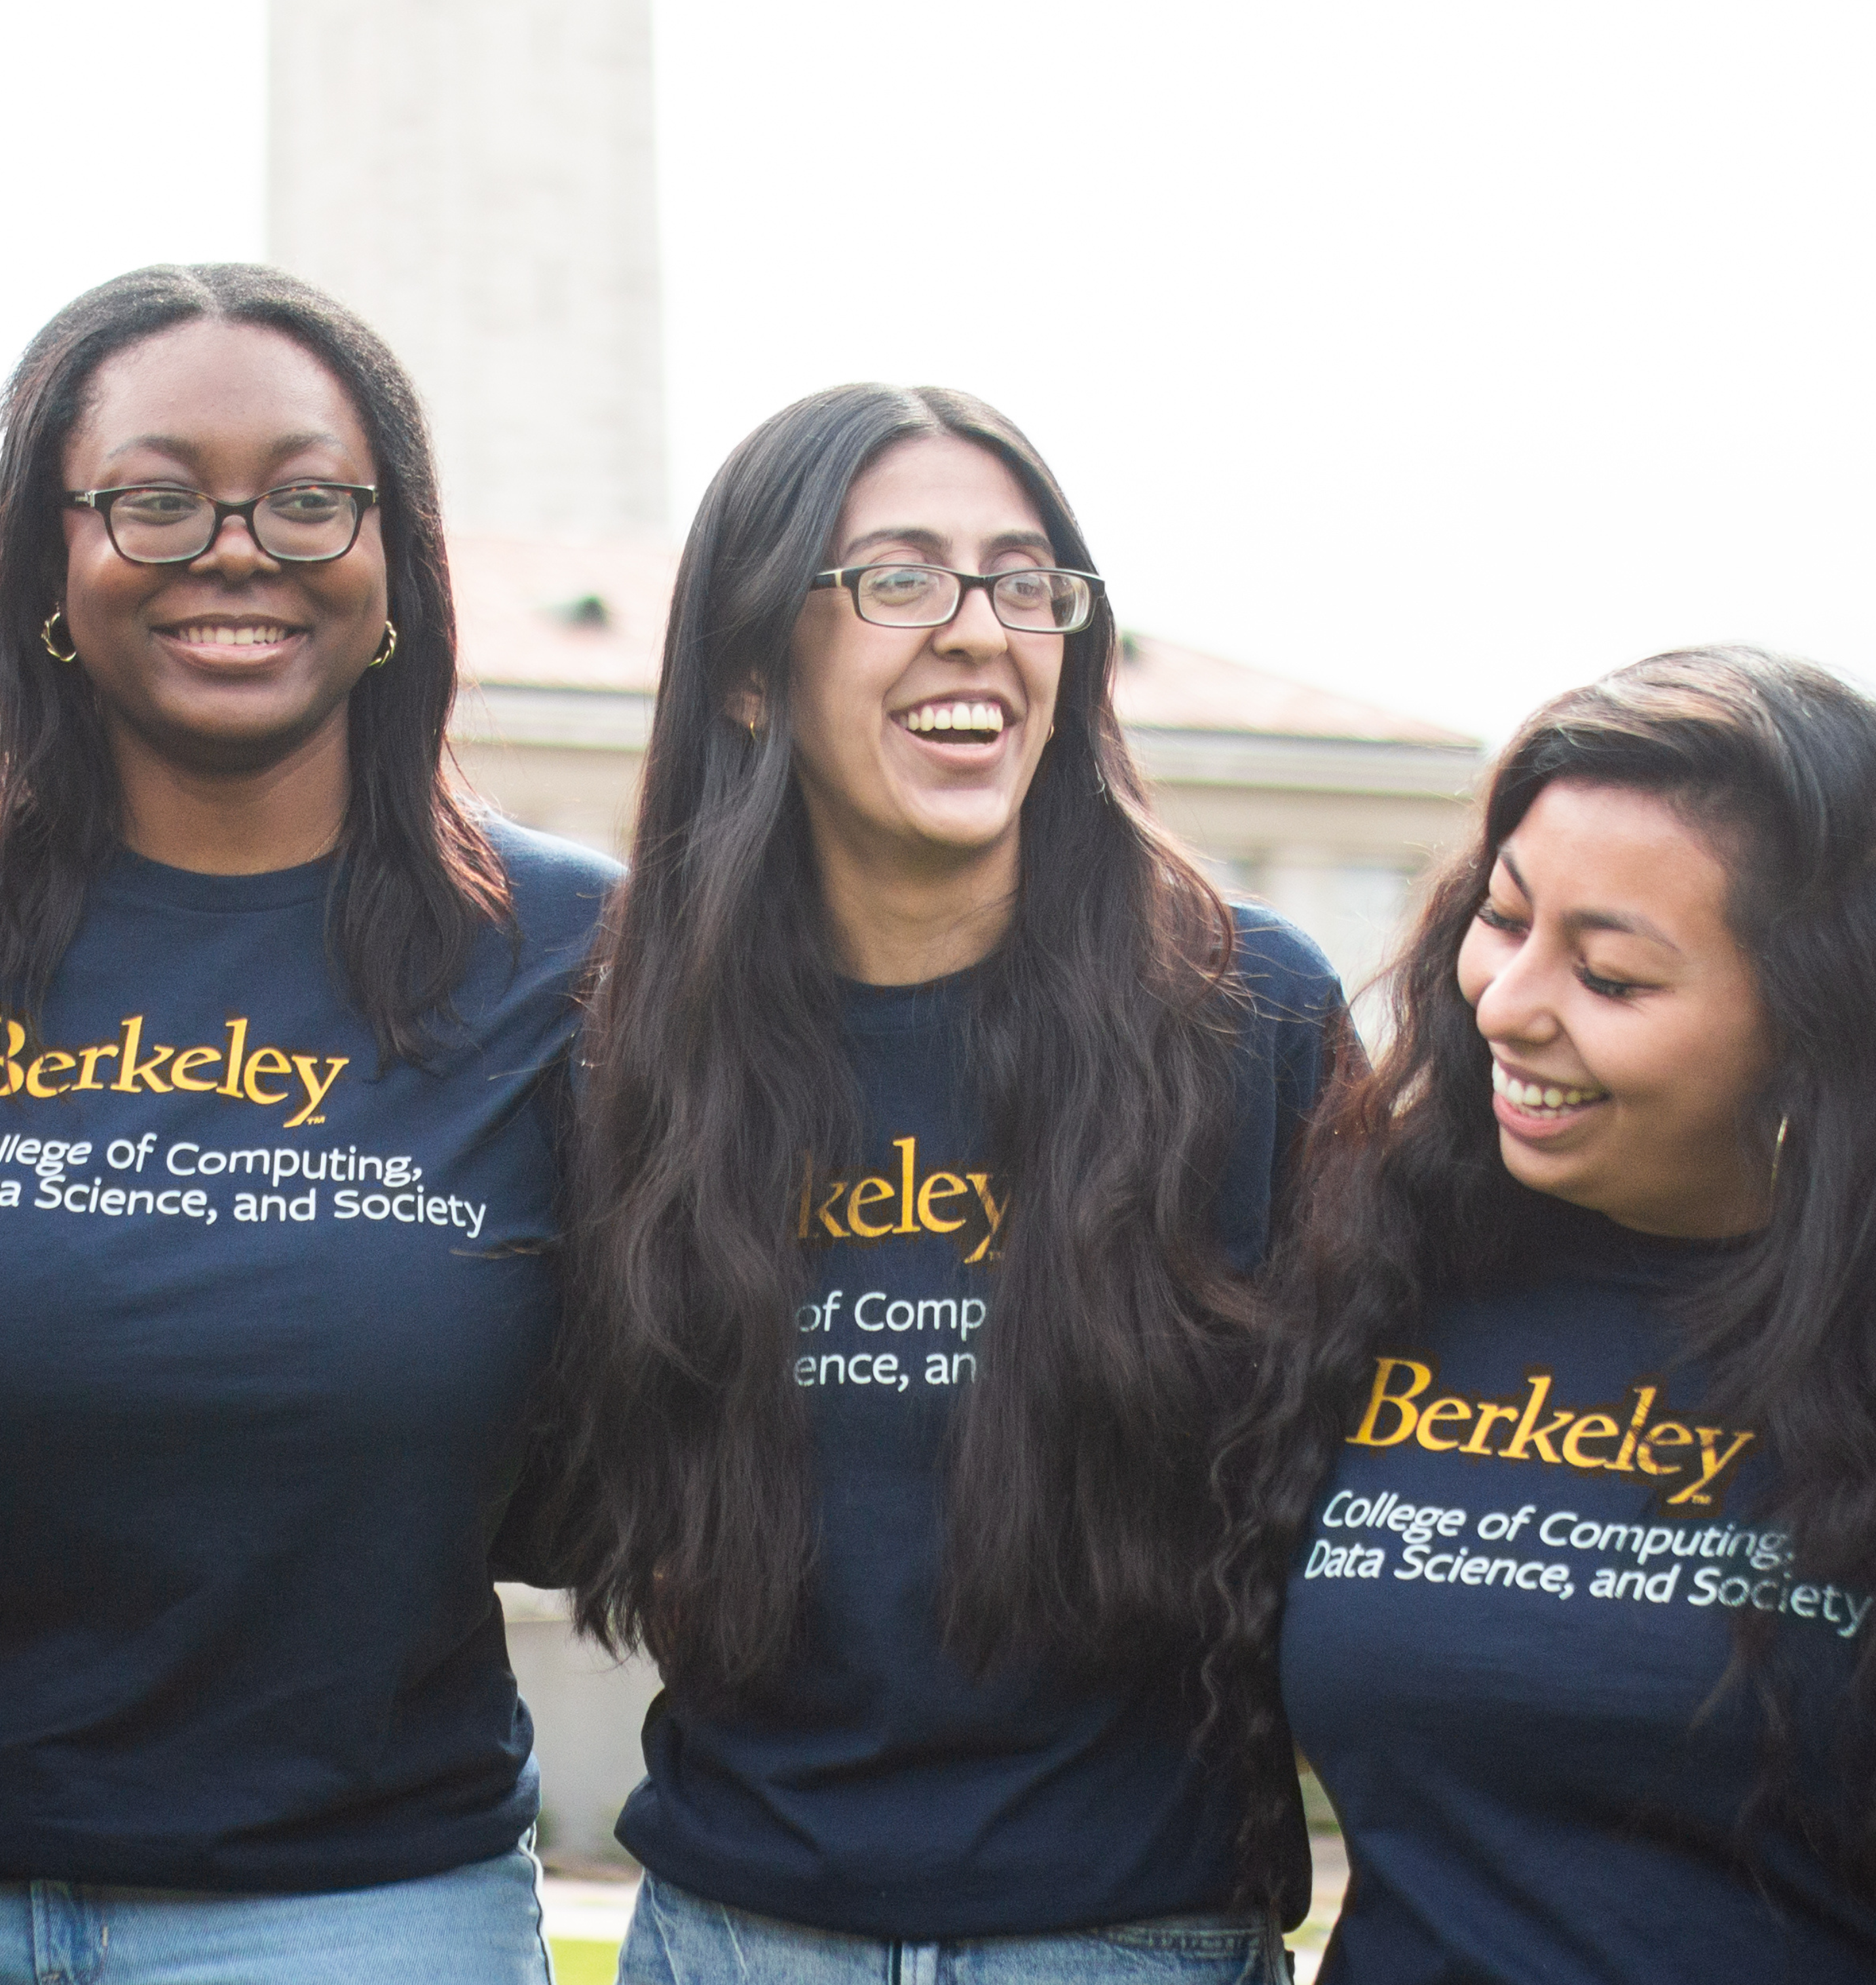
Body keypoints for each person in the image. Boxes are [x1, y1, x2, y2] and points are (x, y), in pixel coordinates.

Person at [0, 263, 616, 1985]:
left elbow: (634, 1468)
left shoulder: (574, 961)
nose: (234, 546)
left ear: (395, 557)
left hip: (363, 1907)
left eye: (310, 496)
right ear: (53, 557)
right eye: (155, 498)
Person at [512, 384, 1336, 1984]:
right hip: (737, 1932)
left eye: (1026, 584)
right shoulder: (636, 1049)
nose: (981, 631)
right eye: (899, 579)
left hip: (1127, 1937)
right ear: (753, 672)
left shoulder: (1251, 1018)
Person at [1225, 650, 1876, 1983]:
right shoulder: (1389, 1275)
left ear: (1830, 1034)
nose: (1509, 1005)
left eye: (1613, 979)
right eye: (1502, 917)